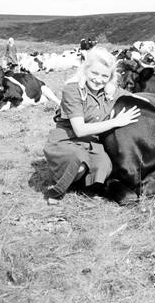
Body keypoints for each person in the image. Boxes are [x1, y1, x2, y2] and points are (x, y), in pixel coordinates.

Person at [43, 47, 141, 205]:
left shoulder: (111, 92)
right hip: (66, 140)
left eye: (104, 76)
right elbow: (79, 129)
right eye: (94, 73)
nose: (98, 79)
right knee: (79, 164)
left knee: (105, 166)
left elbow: (138, 98)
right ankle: (58, 187)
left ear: (110, 78)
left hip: (91, 143)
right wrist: (116, 122)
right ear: (85, 70)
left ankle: (79, 184)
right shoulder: (73, 89)